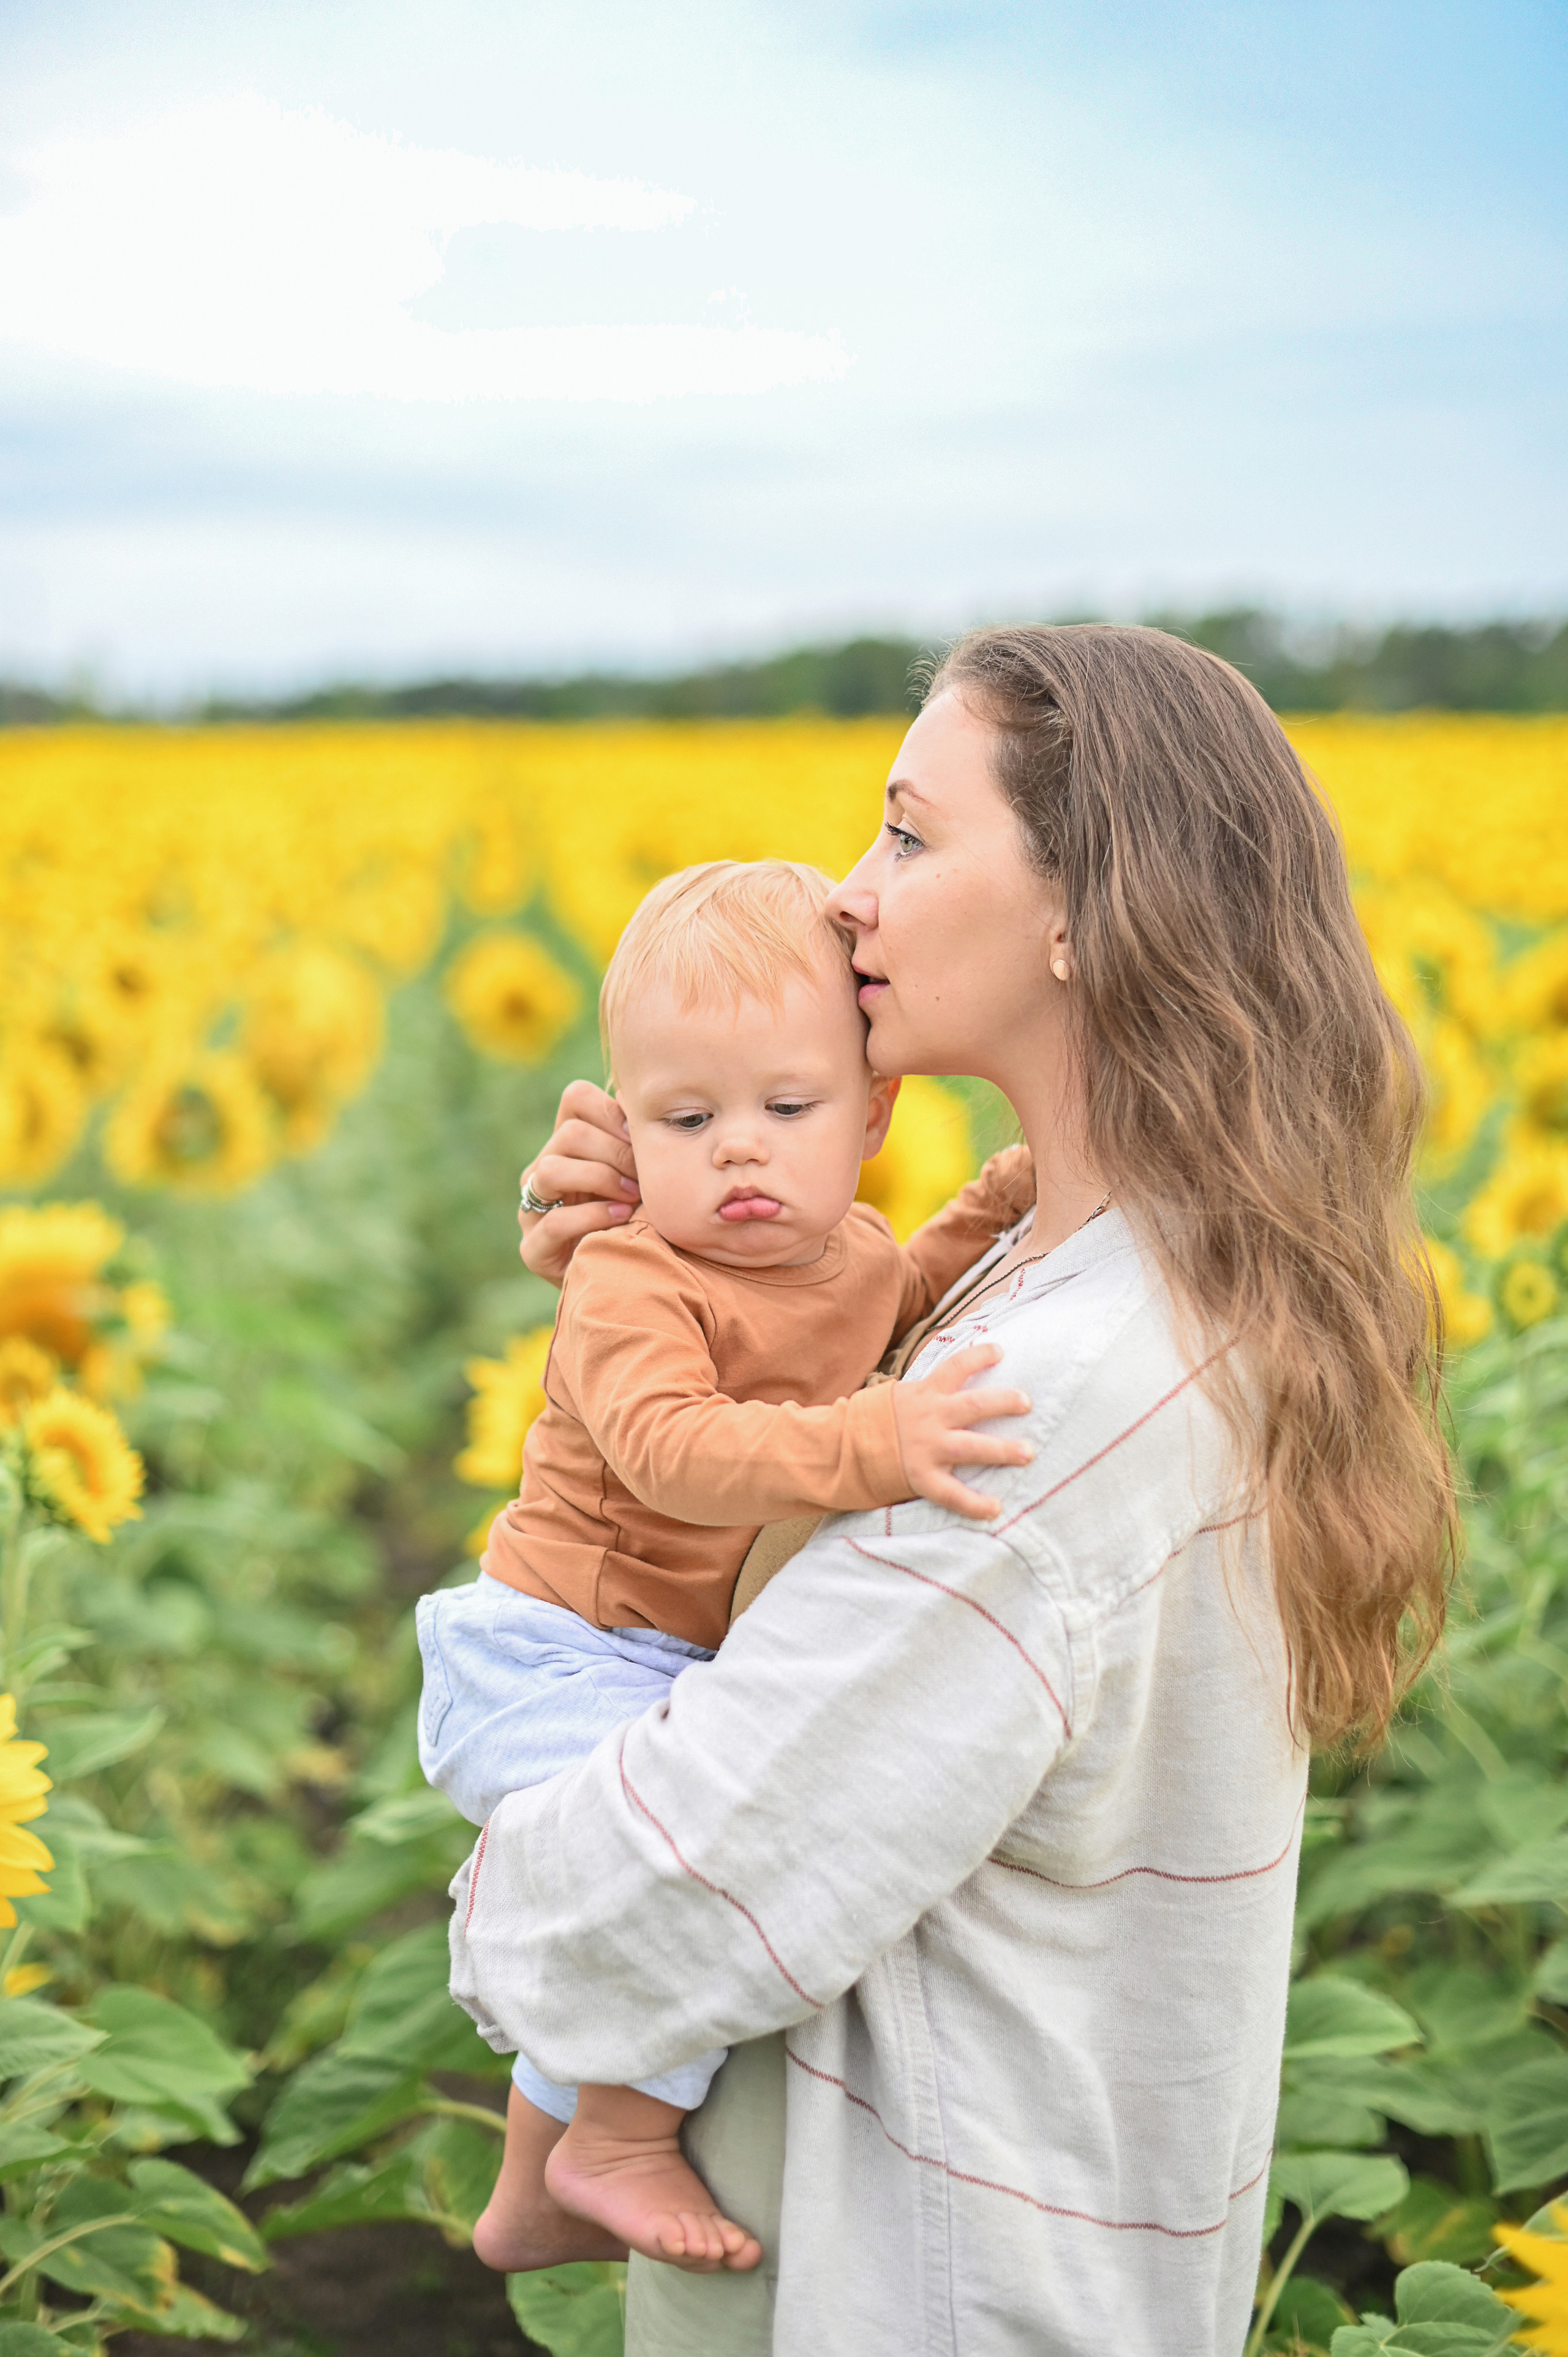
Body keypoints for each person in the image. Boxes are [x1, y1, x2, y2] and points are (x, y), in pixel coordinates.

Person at [450, 624, 1455, 2356]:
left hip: (914, 2283)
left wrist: (503, 1881)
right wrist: (657, 1277)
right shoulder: (1090, 1282)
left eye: (908, 836)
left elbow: (645, 1912)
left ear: (1080, 912)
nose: (850, 898)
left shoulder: (1051, 1403)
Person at [420, 858, 1035, 2276]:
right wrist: (872, 1445)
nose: (741, 1150)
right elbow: (672, 1451)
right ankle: (612, 2143)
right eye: (688, 1120)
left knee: (703, 1842)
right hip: (551, 1650)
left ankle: (533, 2195)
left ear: (873, 1114)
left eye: (786, 1109)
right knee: (688, 1860)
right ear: (620, 1135)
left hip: (649, 1656)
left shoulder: (846, 1248)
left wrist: (1005, 1195)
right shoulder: (630, 1275)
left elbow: (904, 1291)